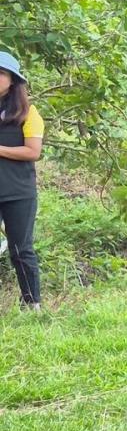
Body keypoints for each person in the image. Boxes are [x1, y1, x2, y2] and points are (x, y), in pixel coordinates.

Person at [0, 50, 43, 308]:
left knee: (20, 250)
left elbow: (33, 151)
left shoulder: (29, 113)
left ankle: (31, 304)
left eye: (1, 73)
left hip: (18, 192)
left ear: (13, 80)